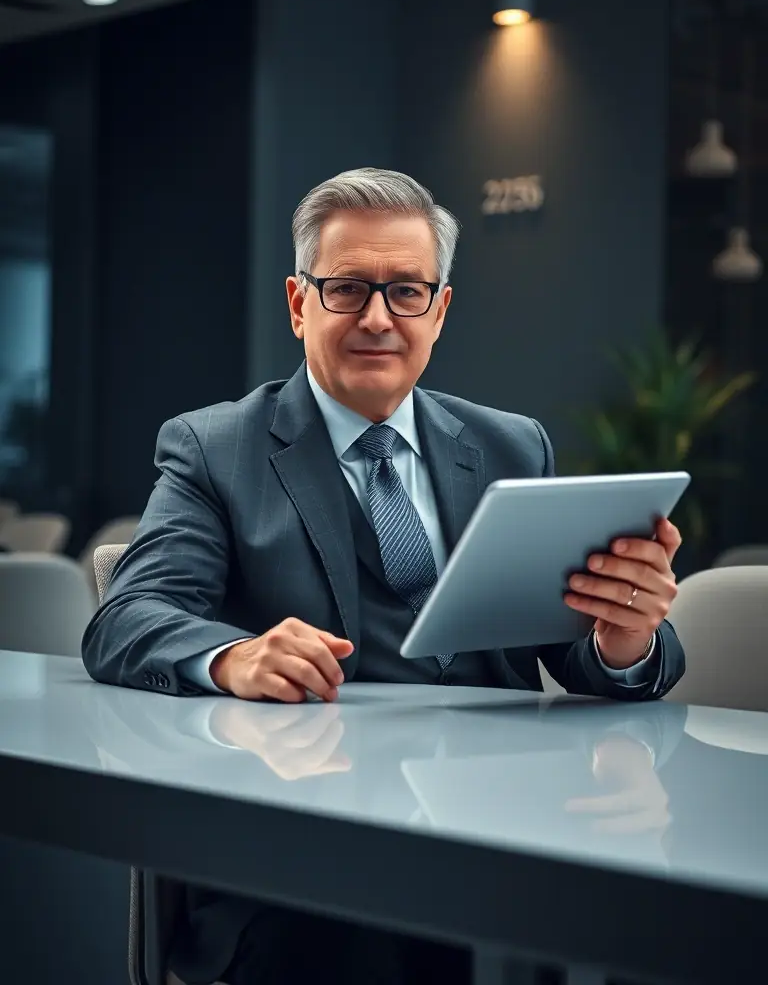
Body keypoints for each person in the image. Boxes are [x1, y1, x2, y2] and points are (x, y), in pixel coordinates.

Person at [82, 168, 685, 985]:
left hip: (505, 829)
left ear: (439, 310)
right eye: (347, 290)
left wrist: (624, 640)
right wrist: (234, 657)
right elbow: (127, 617)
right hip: (303, 856)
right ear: (300, 304)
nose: (377, 318)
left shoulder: (512, 445)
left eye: (406, 291)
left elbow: (570, 654)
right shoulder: (213, 448)